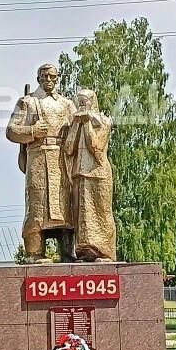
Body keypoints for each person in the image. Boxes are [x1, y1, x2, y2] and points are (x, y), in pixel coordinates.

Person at [6, 64, 77, 263]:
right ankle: (35, 252)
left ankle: (67, 251)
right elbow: (11, 131)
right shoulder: (27, 102)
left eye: (52, 76)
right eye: (44, 76)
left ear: (57, 78)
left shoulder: (66, 104)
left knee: (65, 205)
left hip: (62, 159)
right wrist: (32, 131)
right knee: (37, 206)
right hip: (38, 158)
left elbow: (78, 129)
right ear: (38, 78)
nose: (48, 79)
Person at [63, 88, 117, 262]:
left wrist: (86, 123)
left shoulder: (103, 121)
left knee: (101, 213)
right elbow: (68, 148)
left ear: (92, 102)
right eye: (79, 101)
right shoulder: (76, 123)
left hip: (98, 174)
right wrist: (76, 125)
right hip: (79, 174)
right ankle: (85, 252)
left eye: (84, 101)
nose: (81, 104)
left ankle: (105, 252)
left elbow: (96, 147)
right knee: (82, 216)